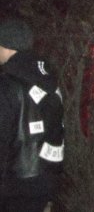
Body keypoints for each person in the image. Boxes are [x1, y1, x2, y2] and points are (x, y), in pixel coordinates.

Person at [0, 18, 64, 212]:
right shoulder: (48, 78)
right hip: (45, 179)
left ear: (7, 45)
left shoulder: (8, 85)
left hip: (14, 183)